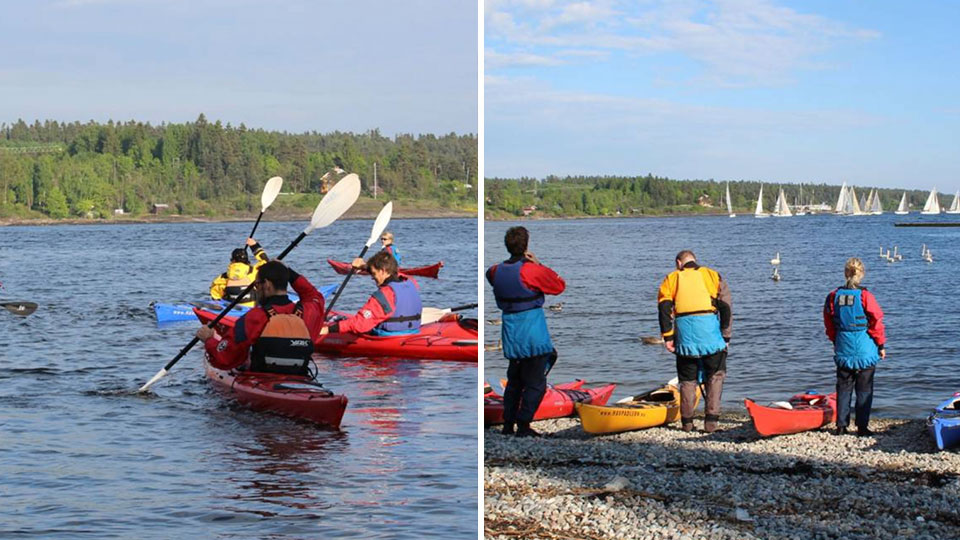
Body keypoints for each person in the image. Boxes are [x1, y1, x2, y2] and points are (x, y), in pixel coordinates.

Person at [486, 226, 565, 438]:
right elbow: (558, 286)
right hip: (532, 328)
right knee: (536, 381)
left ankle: (508, 423)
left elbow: (491, 277)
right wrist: (537, 263)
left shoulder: (494, 270)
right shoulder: (530, 270)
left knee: (515, 378)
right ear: (526, 245)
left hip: (510, 329)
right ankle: (523, 424)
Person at [197, 260, 325, 375]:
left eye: (257, 285)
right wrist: (288, 272)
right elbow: (315, 296)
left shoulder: (254, 317)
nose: (256, 289)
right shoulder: (307, 312)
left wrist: (209, 340)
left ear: (267, 284)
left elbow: (225, 358)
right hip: (300, 379)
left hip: (262, 380)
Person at [657, 250, 732, 433]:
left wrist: (668, 337)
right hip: (710, 334)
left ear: (678, 263)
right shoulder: (712, 275)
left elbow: (664, 308)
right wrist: (726, 336)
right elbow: (726, 307)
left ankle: (687, 423)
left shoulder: (671, 278)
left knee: (687, 380)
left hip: (685, 335)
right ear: (694, 260)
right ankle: (711, 424)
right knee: (715, 376)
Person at [823, 257, 886, 436]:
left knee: (843, 387)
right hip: (865, 348)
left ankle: (841, 426)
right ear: (861, 274)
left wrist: (836, 340)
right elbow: (876, 322)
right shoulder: (866, 296)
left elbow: (828, 323)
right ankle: (862, 427)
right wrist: (881, 345)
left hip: (843, 346)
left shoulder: (833, 296)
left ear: (845, 273)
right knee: (864, 388)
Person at [319, 250, 422, 336]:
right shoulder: (411, 281)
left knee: (347, 323)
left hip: (389, 337)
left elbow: (359, 324)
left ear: (383, 271)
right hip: (413, 332)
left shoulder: (386, 294)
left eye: (374, 273)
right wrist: (364, 266)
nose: (372, 277)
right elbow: (394, 272)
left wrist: (327, 330)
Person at [209, 238, 269, 307]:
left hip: (232, 310)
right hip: (252, 308)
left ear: (232, 260)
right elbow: (265, 261)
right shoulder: (254, 272)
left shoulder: (222, 278)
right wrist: (254, 246)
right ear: (247, 260)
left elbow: (215, 296)